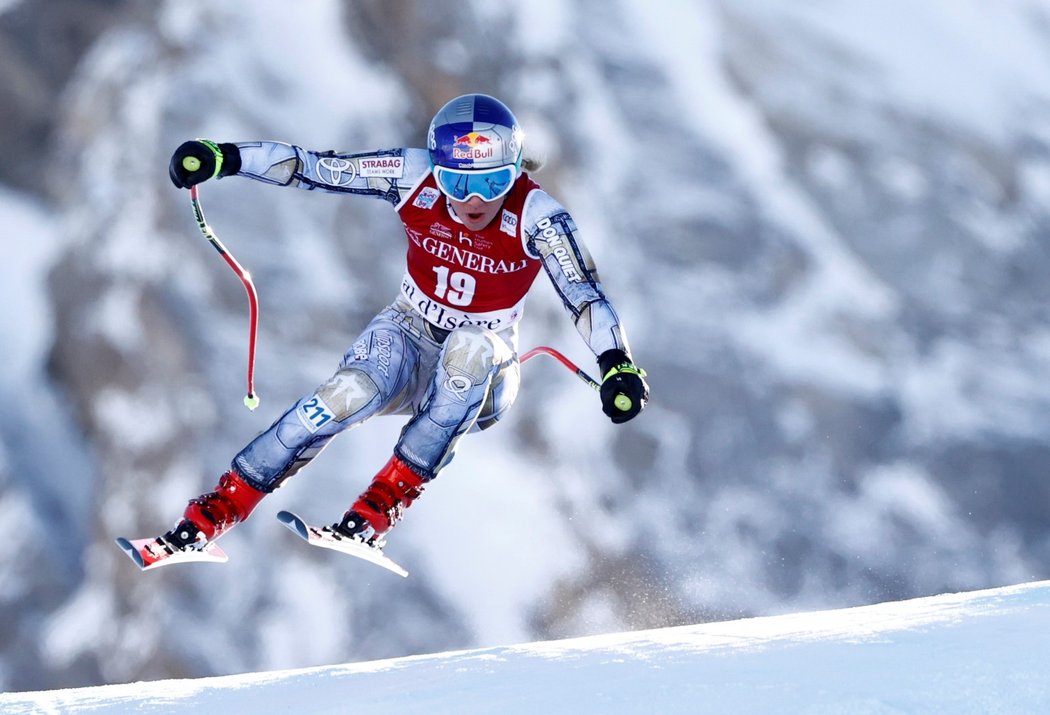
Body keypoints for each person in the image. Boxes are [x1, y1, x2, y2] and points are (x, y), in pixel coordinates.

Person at [159, 93, 648, 554]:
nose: (474, 201)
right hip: (408, 329)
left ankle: (380, 506)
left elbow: (583, 292)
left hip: (486, 369)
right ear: (437, 171)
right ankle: (216, 511)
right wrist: (225, 157)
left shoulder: (537, 214)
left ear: (515, 174)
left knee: (469, 350)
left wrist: (617, 363)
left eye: (493, 183)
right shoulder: (410, 174)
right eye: (457, 183)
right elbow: (316, 168)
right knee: (341, 398)